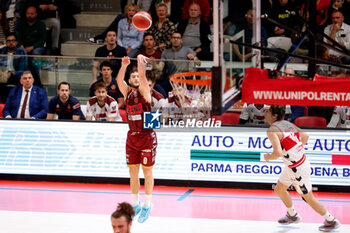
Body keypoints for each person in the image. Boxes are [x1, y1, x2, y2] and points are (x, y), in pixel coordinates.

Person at [263, 105, 341, 232]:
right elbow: (305, 136)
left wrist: (268, 157)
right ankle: (292, 215)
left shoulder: (272, 130)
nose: (264, 112)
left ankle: (331, 220)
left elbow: (277, 153)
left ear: (274, 115)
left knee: (308, 198)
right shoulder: (286, 123)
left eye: (267, 111)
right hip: (294, 165)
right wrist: (295, 151)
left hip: (297, 169)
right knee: (279, 189)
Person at [116, 55, 157, 223]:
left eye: (137, 76)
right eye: (132, 76)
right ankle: (136, 203)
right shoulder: (127, 92)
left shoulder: (145, 92)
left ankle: (147, 205)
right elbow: (119, 80)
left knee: (147, 172)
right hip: (132, 137)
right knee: (133, 172)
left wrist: (140, 63)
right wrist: (124, 65)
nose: (135, 78)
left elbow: (142, 76)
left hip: (146, 137)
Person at [0, 32, 27, 102]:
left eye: (13, 40)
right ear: (5, 42)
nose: (11, 42)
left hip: (16, 74)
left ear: (16, 42)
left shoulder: (21, 52)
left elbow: (23, 69)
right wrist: (2, 73)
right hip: (3, 74)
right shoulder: (1, 51)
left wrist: (11, 74)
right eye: (8, 41)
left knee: (22, 77)